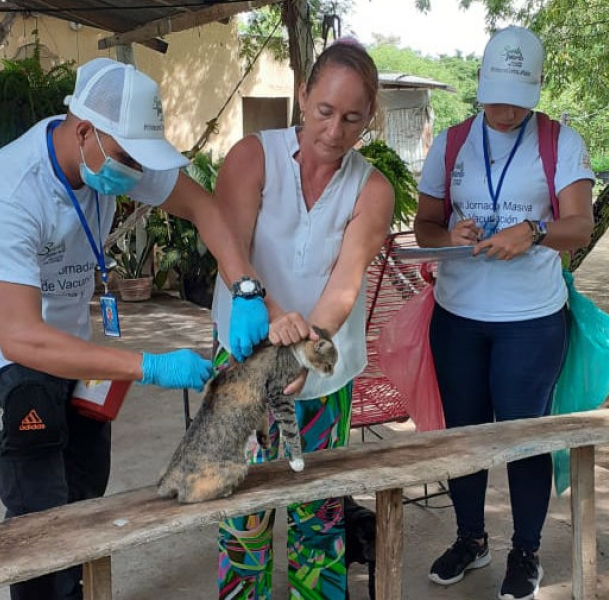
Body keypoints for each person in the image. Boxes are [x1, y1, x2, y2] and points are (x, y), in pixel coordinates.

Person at [0, 57, 270, 600]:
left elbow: (204, 208)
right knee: (39, 524)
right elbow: (18, 336)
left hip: (73, 353)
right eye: (128, 159)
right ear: (84, 130)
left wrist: (247, 289)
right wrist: (149, 365)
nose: (136, 173)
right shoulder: (8, 192)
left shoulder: (111, 155)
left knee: (88, 495)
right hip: (9, 366)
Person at [208, 39, 395, 600]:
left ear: (369, 120)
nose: (335, 130)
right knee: (243, 519)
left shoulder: (373, 188)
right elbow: (232, 253)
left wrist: (302, 348)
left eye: (352, 118)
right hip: (243, 361)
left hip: (321, 370)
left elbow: (345, 284)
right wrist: (271, 324)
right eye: (324, 111)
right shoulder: (252, 156)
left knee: (320, 516)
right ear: (303, 94)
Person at [412, 25, 594, 600]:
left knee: (522, 436)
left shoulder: (561, 143)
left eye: (518, 98)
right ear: (480, 86)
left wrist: (534, 230)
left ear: (536, 90)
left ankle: (526, 550)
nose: (506, 109)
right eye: (494, 95)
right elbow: (425, 226)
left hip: (532, 319)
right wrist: (452, 232)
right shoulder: (451, 143)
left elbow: (581, 226)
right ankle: (471, 539)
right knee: (464, 434)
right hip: (458, 313)